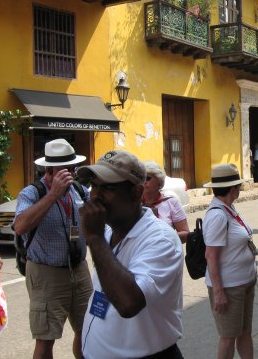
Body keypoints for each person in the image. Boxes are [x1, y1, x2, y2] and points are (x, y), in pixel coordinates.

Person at [78, 150, 184, 358]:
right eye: (94, 186)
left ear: (136, 192)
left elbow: (128, 303)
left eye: (107, 187)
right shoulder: (108, 231)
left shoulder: (161, 239)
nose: (96, 196)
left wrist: (95, 239)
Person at [13, 138, 92, 359]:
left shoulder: (78, 189)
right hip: (46, 273)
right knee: (46, 338)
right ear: (49, 168)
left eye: (73, 167)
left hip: (79, 268)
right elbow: (20, 226)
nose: (71, 172)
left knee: (88, 329)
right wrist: (53, 195)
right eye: (65, 168)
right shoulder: (31, 193)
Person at [202, 164, 257, 359]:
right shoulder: (218, 215)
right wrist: (218, 292)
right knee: (228, 337)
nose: (240, 189)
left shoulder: (228, 208)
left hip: (244, 282)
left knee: (244, 332)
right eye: (238, 186)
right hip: (229, 287)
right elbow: (211, 256)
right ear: (233, 188)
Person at [142, 161, 190, 243]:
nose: (144, 181)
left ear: (159, 181)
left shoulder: (171, 202)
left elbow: (186, 234)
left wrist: (164, 238)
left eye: (148, 178)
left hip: (165, 252)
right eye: (141, 178)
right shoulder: (133, 203)